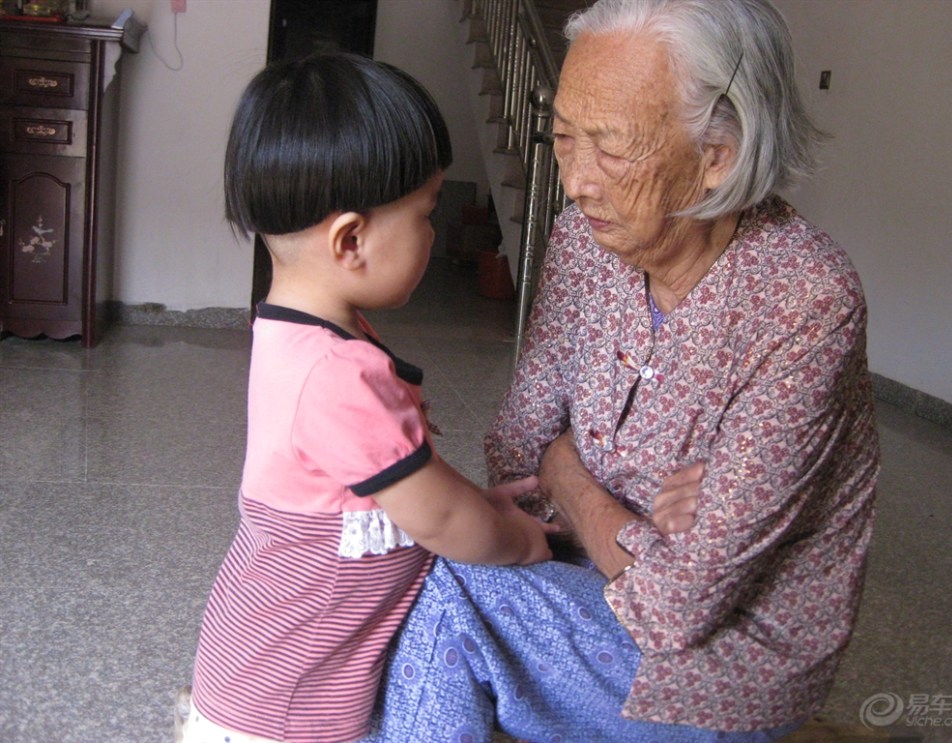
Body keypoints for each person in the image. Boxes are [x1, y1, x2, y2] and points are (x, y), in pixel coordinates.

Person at [361, 0, 880, 741]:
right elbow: (514, 448)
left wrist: (569, 474)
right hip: (585, 584)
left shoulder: (804, 299)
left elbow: (677, 605)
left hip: (717, 672)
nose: (576, 182)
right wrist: (632, 520)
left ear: (718, 154)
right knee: (400, 555)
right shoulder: (583, 241)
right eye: (564, 139)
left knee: (447, 589)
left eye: (609, 146)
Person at [178, 53, 555, 743]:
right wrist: (519, 540)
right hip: (282, 715)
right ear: (351, 239)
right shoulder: (336, 374)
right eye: (426, 211)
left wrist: (468, 498)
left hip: (265, 682)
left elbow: (401, 490)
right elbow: (440, 517)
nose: (435, 231)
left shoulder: (304, 333)